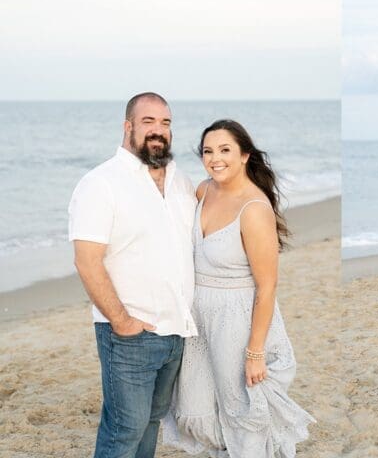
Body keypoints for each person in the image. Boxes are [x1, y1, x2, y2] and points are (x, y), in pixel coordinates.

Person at [162, 120, 314, 456]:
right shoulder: (204, 190)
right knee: (200, 403)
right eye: (208, 151)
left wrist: (255, 352)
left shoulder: (254, 209)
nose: (215, 158)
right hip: (199, 317)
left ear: (245, 155)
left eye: (225, 150)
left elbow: (267, 286)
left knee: (241, 410)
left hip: (238, 320)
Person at [69, 92, 197, 458]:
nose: (158, 130)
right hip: (129, 335)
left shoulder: (180, 182)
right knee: (124, 430)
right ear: (128, 127)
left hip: (176, 332)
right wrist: (121, 321)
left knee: (151, 422)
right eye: (148, 122)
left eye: (166, 123)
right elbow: (86, 260)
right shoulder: (101, 183)